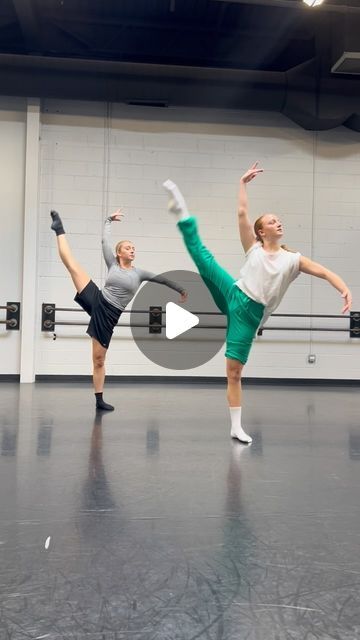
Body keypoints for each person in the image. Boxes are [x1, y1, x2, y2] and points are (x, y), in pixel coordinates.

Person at [163, 162, 352, 443]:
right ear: (261, 232)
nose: (279, 223)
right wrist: (243, 183)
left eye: (279, 220)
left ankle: (235, 426)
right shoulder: (252, 248)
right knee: (204, 260)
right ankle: (182, 214)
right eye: (272, 221)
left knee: (234, 373)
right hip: (234, 293)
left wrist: (344, 288)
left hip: (249, 317)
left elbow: (324, 272)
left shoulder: (293, 260)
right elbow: (242, 213)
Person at [50, 209, 187, 411]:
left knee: (98, 360)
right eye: (128, 248)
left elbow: (162, 279)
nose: (132, 250)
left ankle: (99, 400)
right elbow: (105, 242)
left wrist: (181, 289)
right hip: (97, 299)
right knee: (72, 265)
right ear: (119, 253)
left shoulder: (140, 273)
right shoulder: (112, 263)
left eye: (133, 248)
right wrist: (108, 221)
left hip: (109, 316)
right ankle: (59, 229)